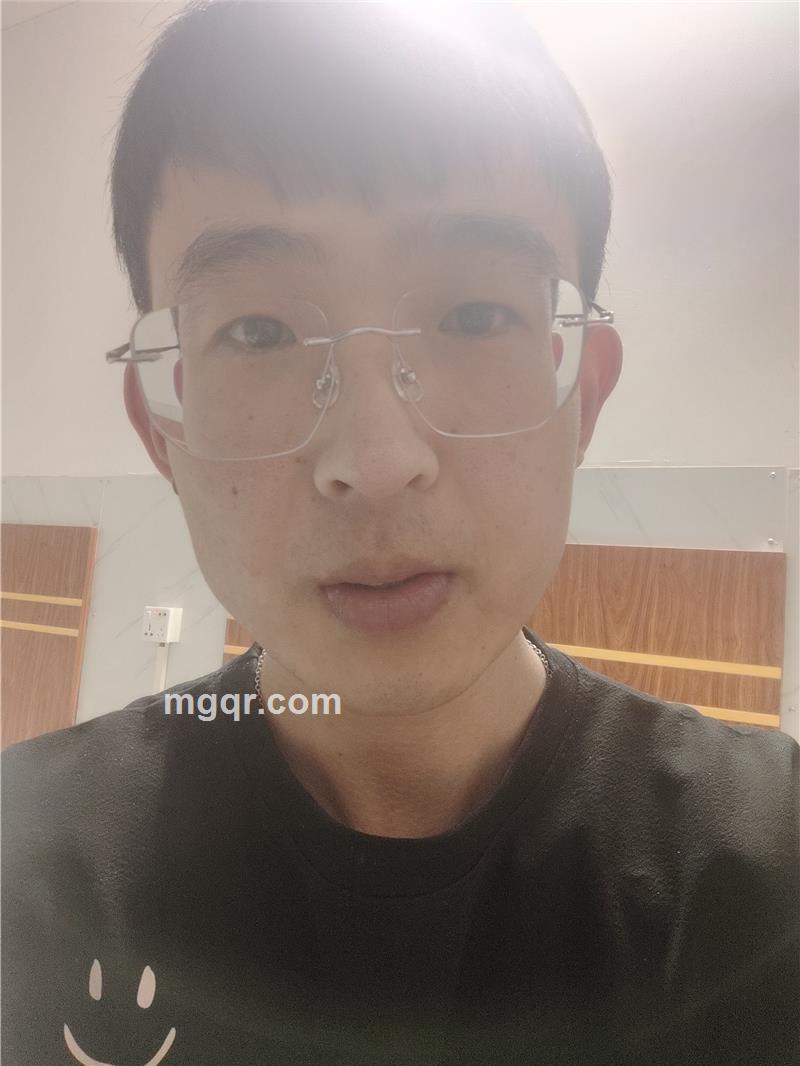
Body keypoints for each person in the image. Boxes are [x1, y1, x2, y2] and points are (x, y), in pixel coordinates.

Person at [3, 2, 797, 1064]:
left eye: (473, 316)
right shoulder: (26, 863)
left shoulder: (765, 873)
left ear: (582, 398)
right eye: (258, 330)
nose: (375, 460)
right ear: (163, 428)